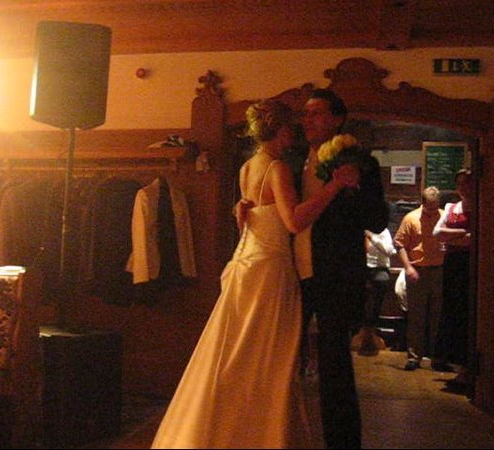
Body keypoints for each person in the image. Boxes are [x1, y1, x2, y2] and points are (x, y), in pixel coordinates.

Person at [150, 99, 356, 449]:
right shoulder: (277, 168)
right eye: (291, 126)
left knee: (238, 353)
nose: (295, 131)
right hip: (270, 270)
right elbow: (294, 221)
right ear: (279, 129)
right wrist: (334, 187)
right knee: (269, 359)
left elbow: (254, 215)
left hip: (246, 263)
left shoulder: (248, 167)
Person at [291, 89, 389, 449]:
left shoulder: (363, 163)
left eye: (317, 113)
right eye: (305, 114)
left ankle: (342, 443)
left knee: (335, 365)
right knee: (283, 358)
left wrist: (355, 183)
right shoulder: (291, 160)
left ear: (337, 119)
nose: (308, 120)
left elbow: (378, 220)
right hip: (289, 272)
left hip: (335, 275)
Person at [393, 186, 449, 372]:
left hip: (439, 270)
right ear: (422, 203)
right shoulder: (411, 218)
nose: (432, 212)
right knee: (416, 316)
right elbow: (399, 244)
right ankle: (414, 357)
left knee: (438, 315)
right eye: (429, 208)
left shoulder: (444, 216)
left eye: (435, 208)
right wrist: (408, 267)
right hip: (418, 271)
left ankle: (437, 357)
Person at [433, 168, 474, 390]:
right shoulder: (451, 207)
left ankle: (467, 370)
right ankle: (459, 368)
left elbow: (475, 239)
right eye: (459, 183)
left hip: (470, 265)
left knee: (467, 312)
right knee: (452, 311)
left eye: (466, 182)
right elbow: (437, 234)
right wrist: (461, 234)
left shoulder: (482, 207)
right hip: (453, 265)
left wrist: (451, 238)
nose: (462, 187)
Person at [357, 228, 397, 356]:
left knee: (380, 282)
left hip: (379, 268)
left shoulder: (383, 232)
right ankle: (361, 332)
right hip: (362, 269)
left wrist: (372, 237)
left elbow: (389, 251)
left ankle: (370, 330)